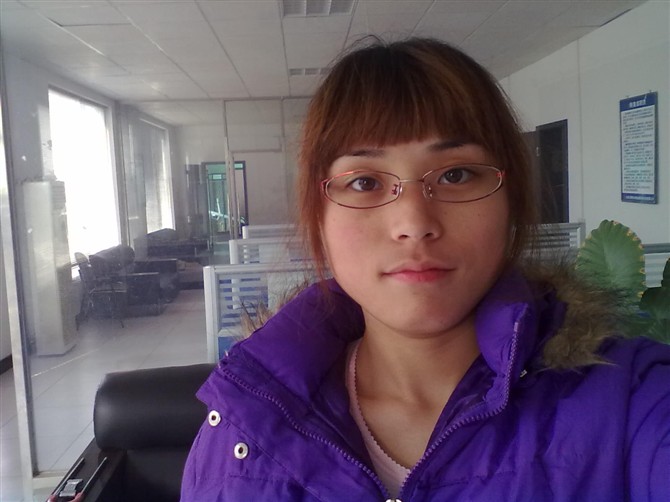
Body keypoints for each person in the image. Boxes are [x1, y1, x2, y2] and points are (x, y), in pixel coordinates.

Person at [181, 38, 670, 501]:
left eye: (456, 174)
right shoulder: (245, 430)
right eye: (365, 182)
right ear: (318, 217)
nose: (414, 224)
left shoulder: (630, 398)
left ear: (510, 201)